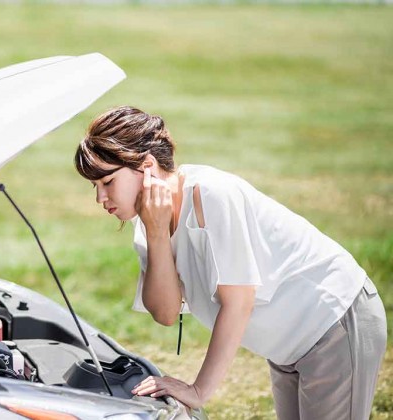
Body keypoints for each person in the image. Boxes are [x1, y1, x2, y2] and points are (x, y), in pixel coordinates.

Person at [74, 106, 387, 420]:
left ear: (147, 167)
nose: (101, 198)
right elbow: (165, 312)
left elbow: (238, 302)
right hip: (288, 348)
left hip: (334, 324)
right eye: (95, 187)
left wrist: (198, 391)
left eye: (108, 181)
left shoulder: (211, 194)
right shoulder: (148, 220)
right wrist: (156, 234)